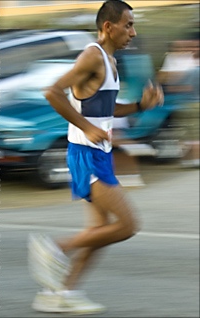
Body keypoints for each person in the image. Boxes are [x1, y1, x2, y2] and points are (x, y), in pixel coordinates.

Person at [28, 0, 164, 314]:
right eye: (128, 24)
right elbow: (52, 91)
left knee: (100, 232)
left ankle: (59, 293)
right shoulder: (93, 55)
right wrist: (86, 128)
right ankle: (55, 248)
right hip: (86, 154)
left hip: (99, 153)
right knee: (128, 225)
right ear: (108, 26)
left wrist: (142, 106)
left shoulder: (110, 62)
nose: (133, 32)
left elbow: (109, 110)